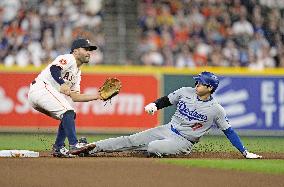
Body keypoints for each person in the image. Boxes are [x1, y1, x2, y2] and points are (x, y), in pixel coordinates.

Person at [70, 71, 262, 159]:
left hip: (184, 141)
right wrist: (154, 104)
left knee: (153, 148)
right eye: (197, 82)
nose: (197, 85)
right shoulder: (186, 91)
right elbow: (167, 100)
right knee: (130, 139)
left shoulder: (216, 110)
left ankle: (149, 150)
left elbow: (229, 132)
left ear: (210, 88)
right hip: (167, 129)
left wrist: (244, 152)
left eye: (201, 83)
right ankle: (92, 148)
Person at [28, 38, 103, 157]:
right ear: (76, 51)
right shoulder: (69, 58)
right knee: (68, 111)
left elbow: (75, 97)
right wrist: (62, 83)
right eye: (86, 49)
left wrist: (98, 96)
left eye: (90, 50)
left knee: (69, 115)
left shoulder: (77, 72)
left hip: (40, 94)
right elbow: (54, 68)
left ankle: (58, 147)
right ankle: (74, 144)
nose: (89, 52)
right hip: (41, 88)